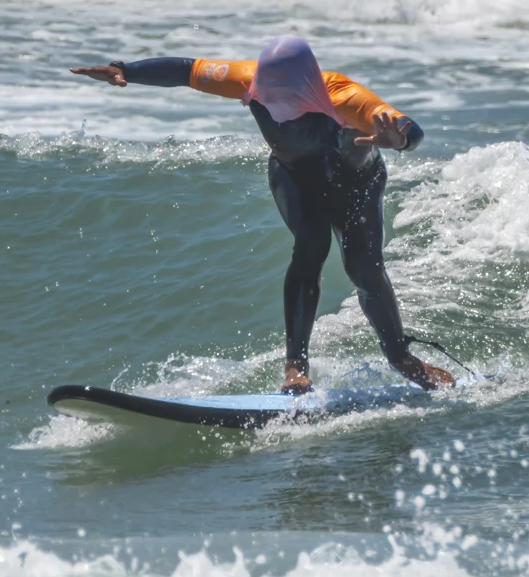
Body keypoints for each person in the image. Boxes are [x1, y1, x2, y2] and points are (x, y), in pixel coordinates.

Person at [71, 36, 455, 394]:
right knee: (310, 247)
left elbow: (405, 126)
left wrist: (400, 139)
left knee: (364, 270)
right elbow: (186, 71)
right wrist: (126, 70)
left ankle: (401, 358)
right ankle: (296, 367)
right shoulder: (246, 78)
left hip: (356, 183)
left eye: (286, 106)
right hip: (296, 177)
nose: (278, 115)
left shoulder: (346, 96)